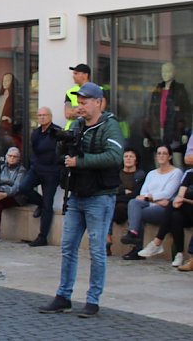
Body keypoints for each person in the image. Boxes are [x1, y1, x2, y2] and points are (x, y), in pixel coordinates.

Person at [39, 82, 124, 318]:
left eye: (85, 101)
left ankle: (93, 300)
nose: (80, 106)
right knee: (68, 248)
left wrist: (80, 162)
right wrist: (62, 145)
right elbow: (61, 155)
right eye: (79, 101)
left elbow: (115, 156)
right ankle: (63, 296)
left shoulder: (110, 126)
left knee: (97, 250)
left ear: (99, 102)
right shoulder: (76, 125)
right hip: (76, 195)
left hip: (100, 197)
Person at [119, 145, 181, 259]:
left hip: (165, 208)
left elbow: (167, 193)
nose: (161, 156)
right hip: (153, 203)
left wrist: (149, 198)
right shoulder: (152, 173)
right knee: (134, 202)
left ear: (170, 156)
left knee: (138, 214)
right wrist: (153, 199)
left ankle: (136, 249)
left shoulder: (176, 172)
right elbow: (143, 193)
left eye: (164, 153)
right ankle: (133, 233)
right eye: (159, 153)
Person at [20, 107, 64, 247]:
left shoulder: (56, 131)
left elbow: (62, 150)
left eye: (44, 115)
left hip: (52, 172)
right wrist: (33, 164)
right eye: (39, 115)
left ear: (50, 116)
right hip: (37, 169)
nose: (42, 117)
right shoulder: (36, 132)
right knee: (23, 187)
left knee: (48, 204)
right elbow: (32, 150)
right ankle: (40, 203)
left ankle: (42, 237)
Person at [138, 163, 193, 268]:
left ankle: (157, 242)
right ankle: (179, 254)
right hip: (185, 210)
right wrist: (179, 199)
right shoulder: (190, 174)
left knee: (171, 205)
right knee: (175, 215)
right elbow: (181, 193)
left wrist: (183, 200)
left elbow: (183, 198)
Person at [143, 62, 191, 168]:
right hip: (158, 129)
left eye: (168, 71)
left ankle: (180, 183)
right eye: (163, 71)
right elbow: (150, 112)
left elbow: (186, 111)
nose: (165, 74)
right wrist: (147, 134)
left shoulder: (179, 90)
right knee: (159, 158)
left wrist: (184, 131)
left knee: (176, 159)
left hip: (175, 129)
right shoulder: (157, 90)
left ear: (174, 73)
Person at [106, 148, 145, 256]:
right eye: (126, 156)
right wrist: (123, 191)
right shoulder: (116, 174)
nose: (128, 159)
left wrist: (119, 194)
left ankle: (108, 239)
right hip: (115, 205)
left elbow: (136, 195)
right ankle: (106, 241)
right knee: (107, 205)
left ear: (136, 160)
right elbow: (110, 190)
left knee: (116, 205)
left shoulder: (140, 175)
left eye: (131, 156)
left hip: (129, 206)